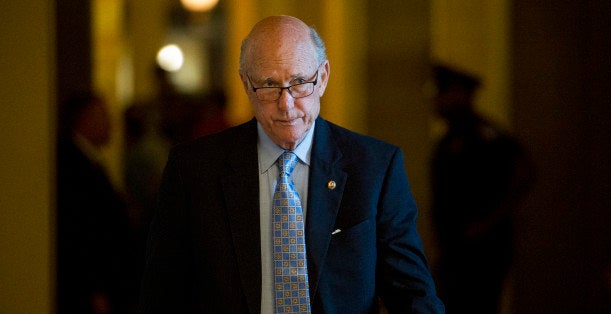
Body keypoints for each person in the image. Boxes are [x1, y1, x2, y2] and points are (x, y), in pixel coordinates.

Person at [140, 15, 444, 313]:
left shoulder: (375, 167)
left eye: (300, 82)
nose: (286, 105)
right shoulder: (193, 169)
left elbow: (413, 295)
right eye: (269, 85)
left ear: (323, 77)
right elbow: (162, 294)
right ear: (246, 85)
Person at [429, 65, 535, 314]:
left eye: (442, 92)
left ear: (458, 93)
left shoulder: (483, 135)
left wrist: (488, 222)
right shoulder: (451, 138)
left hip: (481, 253)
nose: (436, 100)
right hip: (454, 251)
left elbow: (526, 171)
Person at [57, 92, 137, 313]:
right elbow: (80, 231)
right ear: (85, 119)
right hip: (92, 286)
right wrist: (94, 288)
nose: (110, 124)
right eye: (103, 116)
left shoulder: (87, 160)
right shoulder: (73, 164)